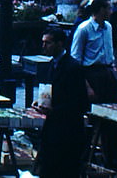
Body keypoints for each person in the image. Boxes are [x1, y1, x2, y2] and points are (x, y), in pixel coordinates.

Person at [70, 0, 117, 169]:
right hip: (92, 74)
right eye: (108, 8)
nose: (111, 12)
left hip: (108, 73)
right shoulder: (84, 29)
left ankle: (111, 159)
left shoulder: (108, 28)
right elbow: (75, 60)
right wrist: (87, 86)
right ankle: (84, 158)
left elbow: (109, 52)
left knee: (112, 118)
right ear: (100, 10)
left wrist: (114, 75)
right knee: (92, 119)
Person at [34, 27, 89, 178]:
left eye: (48, 43)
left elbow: (81, 103)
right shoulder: (52, 65)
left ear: (60, 44)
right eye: (43, 42)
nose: (44, 46)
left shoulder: (73, 67)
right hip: (52, 129)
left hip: (69, 131)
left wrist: (55, 110)